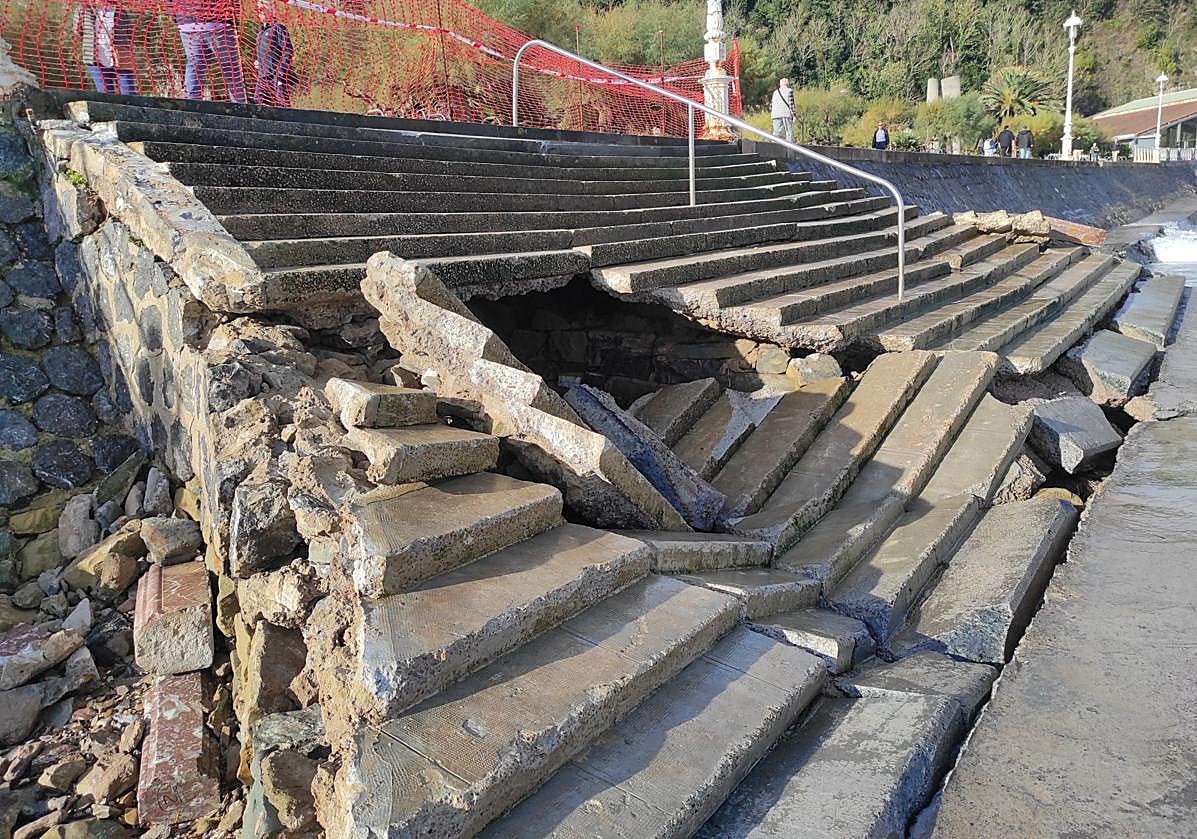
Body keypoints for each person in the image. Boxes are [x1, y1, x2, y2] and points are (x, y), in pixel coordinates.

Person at [171, 0, 246, 103]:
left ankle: (191, 106)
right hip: (217, 21)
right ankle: (240, 106)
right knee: (230, 69)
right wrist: (235, 19)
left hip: (187, 22)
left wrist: (176, 15)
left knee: (194, 66)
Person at [75, 0, 136, 95]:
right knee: (105, 94)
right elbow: (78, 31)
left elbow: (129, 33)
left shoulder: (120, 10)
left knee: (128, 93)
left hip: (120, 57)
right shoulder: (83, 9)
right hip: (95, 57)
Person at [253, 0, 296, 107]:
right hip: (262, 77)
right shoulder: (260, 32)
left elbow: (288, 50)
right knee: (256, 105)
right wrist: (258, 62)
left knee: (283, 106)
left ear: (271, 10)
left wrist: (281, 69)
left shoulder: (278, 28)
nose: (260, 12)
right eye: (258, 10)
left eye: (262, 9)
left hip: (276, 76)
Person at [770, 77, 794, 143]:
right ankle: (789, 147)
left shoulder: (775, 92)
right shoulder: (789, 91)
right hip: (786, 114)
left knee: (776, 132)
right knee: (788, 131)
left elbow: (772, 104)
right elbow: (791, 104)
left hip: (775, 114)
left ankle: (773, 146)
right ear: (787, 84)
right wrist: (794, 115)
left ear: (780, 84)